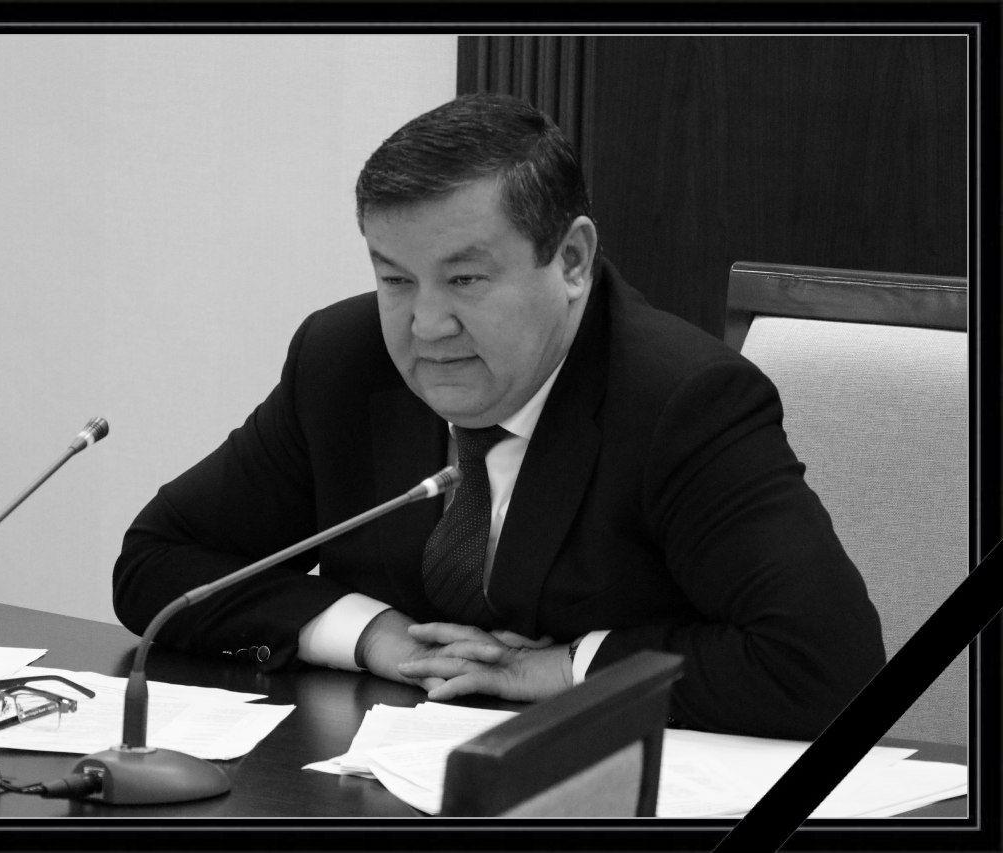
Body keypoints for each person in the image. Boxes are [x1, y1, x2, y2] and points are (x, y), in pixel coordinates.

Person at [113, 93, 885, 739]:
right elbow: (158, 561)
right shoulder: (343, 361)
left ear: (572, 261)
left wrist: (559, 668)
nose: (425, 325)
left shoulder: (681, 401)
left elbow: (826, 667)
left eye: (465, 279)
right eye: (395, 279)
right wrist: (372, 633)